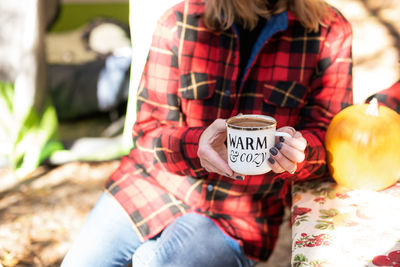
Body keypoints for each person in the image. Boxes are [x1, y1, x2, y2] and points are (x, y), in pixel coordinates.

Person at [61, 0, 353, 266]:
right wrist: (193, 145)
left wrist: (302, 154)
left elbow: (329, 139)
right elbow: (147, 132)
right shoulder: (179, 21)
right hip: (149, 185)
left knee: (153, 262)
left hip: (238, 217)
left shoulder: (329, 31)